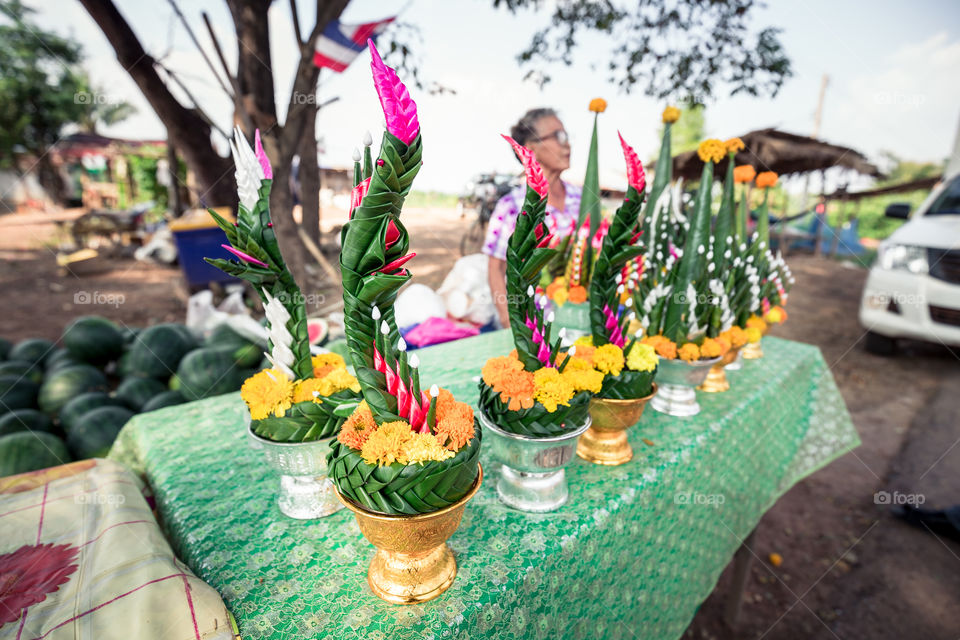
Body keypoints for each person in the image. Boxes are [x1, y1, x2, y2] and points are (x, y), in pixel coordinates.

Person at [483, 108, 581, 328]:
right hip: (531, 328)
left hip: (577, 321)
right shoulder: (511, 206)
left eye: (566, 136)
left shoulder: (582, 198)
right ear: (530, 149)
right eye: (557, 136)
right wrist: (508, 319)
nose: (567, 144)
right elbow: (495, 267)